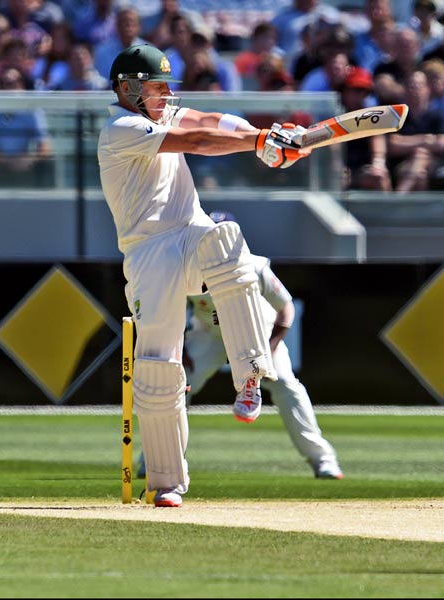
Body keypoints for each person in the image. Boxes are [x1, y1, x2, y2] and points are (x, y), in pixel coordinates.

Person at [97, 44, 312, 508]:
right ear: (127, 88)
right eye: (157, 87)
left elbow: (208, 122)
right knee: (156, 367)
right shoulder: (121, 128)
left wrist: (264, 133)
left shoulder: (160, 114)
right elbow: (195, 142)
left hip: (190, 233)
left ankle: (252, 375)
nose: (166, 95)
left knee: (227, 238)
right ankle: (167, 483)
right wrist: (260, 145)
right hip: (148, 250)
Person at [176, 211, 343, 480]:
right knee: (177, 383)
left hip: (257, 336)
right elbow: (173, 312)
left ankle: (322, 460)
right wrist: (179, 349)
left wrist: (272, 345)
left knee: (288, 388)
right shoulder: (188, 270)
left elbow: (285, 308)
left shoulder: (255, 267)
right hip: (210, 335)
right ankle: (156, 461)